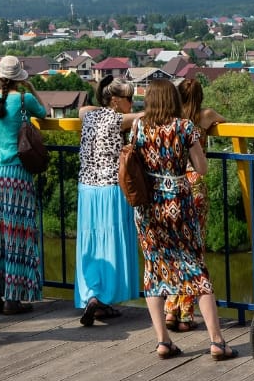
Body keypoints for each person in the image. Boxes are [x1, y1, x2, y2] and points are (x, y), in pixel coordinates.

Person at [128, 79, 231, 360]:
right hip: (180, 205)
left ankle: (163, 341)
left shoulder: (138, 126)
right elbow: (202, 168)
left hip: (148, 208)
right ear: (172, 99)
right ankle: (217, 341)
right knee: (196, 269)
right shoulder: (184, 127)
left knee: (154, 270)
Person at [0, 55, 48, 314]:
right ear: (19, 78)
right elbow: (45, 112)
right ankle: (14, 298)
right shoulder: (24, 99)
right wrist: (31, 88)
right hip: (18, 175)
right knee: (17, 235)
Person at [73, 78, 141, 326]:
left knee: (91, 243)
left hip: (87, 189)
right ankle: (104, 296)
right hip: (111, 189)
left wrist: (102, 104)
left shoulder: (88, 116)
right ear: (115, 100)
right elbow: (145, 115)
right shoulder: (119, 120)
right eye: (128, 99)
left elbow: (83, 109)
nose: (132, 103)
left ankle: (93, 295)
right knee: (111, 240)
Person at [165, 76, 224, 332]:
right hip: (195, 186)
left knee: (175, 249)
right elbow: (225, 120)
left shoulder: (171, 119)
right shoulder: (205, 116)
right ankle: (186, 314)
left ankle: (170, 309)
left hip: (173, 186)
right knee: (194, 252)